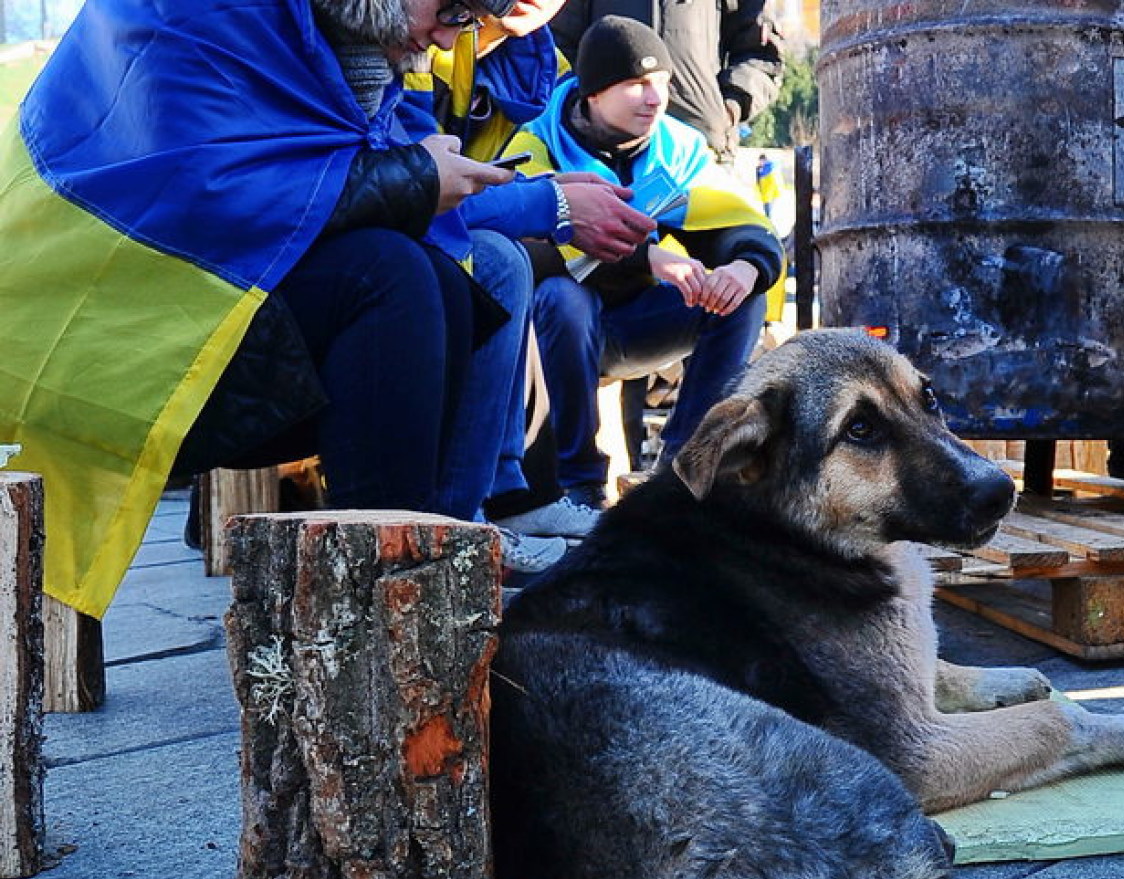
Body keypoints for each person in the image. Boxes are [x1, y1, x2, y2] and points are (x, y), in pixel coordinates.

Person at [0, 0, 562, 617]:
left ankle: (418, 562)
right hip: (106, 340)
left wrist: (524, 198)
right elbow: (199, 195)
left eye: (473, 19)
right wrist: (425, 179)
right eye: (455, 8)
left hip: (208, 311)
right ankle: (377, 604)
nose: (453, 38)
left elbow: (385, 180)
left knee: (444, 280)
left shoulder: (367, 36)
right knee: (389, 275)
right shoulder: (202, 13)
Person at [396, 0, 659, 541]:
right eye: (634, 85)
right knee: (507, 268)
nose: (652, 99)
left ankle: (510, 496)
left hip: (440, 225)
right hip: (360, 242)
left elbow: (460, 179)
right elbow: (405, 179)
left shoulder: (533, 59)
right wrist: (552, 208)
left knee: (506, 261)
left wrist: (549, 198)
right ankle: (459, 521)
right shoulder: (416, 31)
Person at [508, 16, 785, 507]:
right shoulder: (537, 142)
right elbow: (528, 255)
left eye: (662, 84)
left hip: (639, 323)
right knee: (561, 298)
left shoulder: (679, 148)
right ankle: (578, 485)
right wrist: (644, 258)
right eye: (637, 85)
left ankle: (683, 475)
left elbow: (744, 223)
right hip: (555, 338)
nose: (655, 98)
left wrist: (746, 266)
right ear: (593, 92)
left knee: (742, 297)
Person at [547, 0, 784, 165]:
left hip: (702, 153)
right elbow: (554, 50)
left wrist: (727, 111)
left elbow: (761, 56)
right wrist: (584, 109)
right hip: (594, 157)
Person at [754, 152, 783, 218]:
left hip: (770, 190)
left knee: (768, 207)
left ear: (765, 160)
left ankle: (769, 220)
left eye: (762, 161)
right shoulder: (759, 168)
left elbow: (774, 166)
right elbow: (758, 179)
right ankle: (768, 219)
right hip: (764, 190)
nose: (760, 162)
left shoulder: (770, 166)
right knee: (766, 206)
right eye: (760, 161)